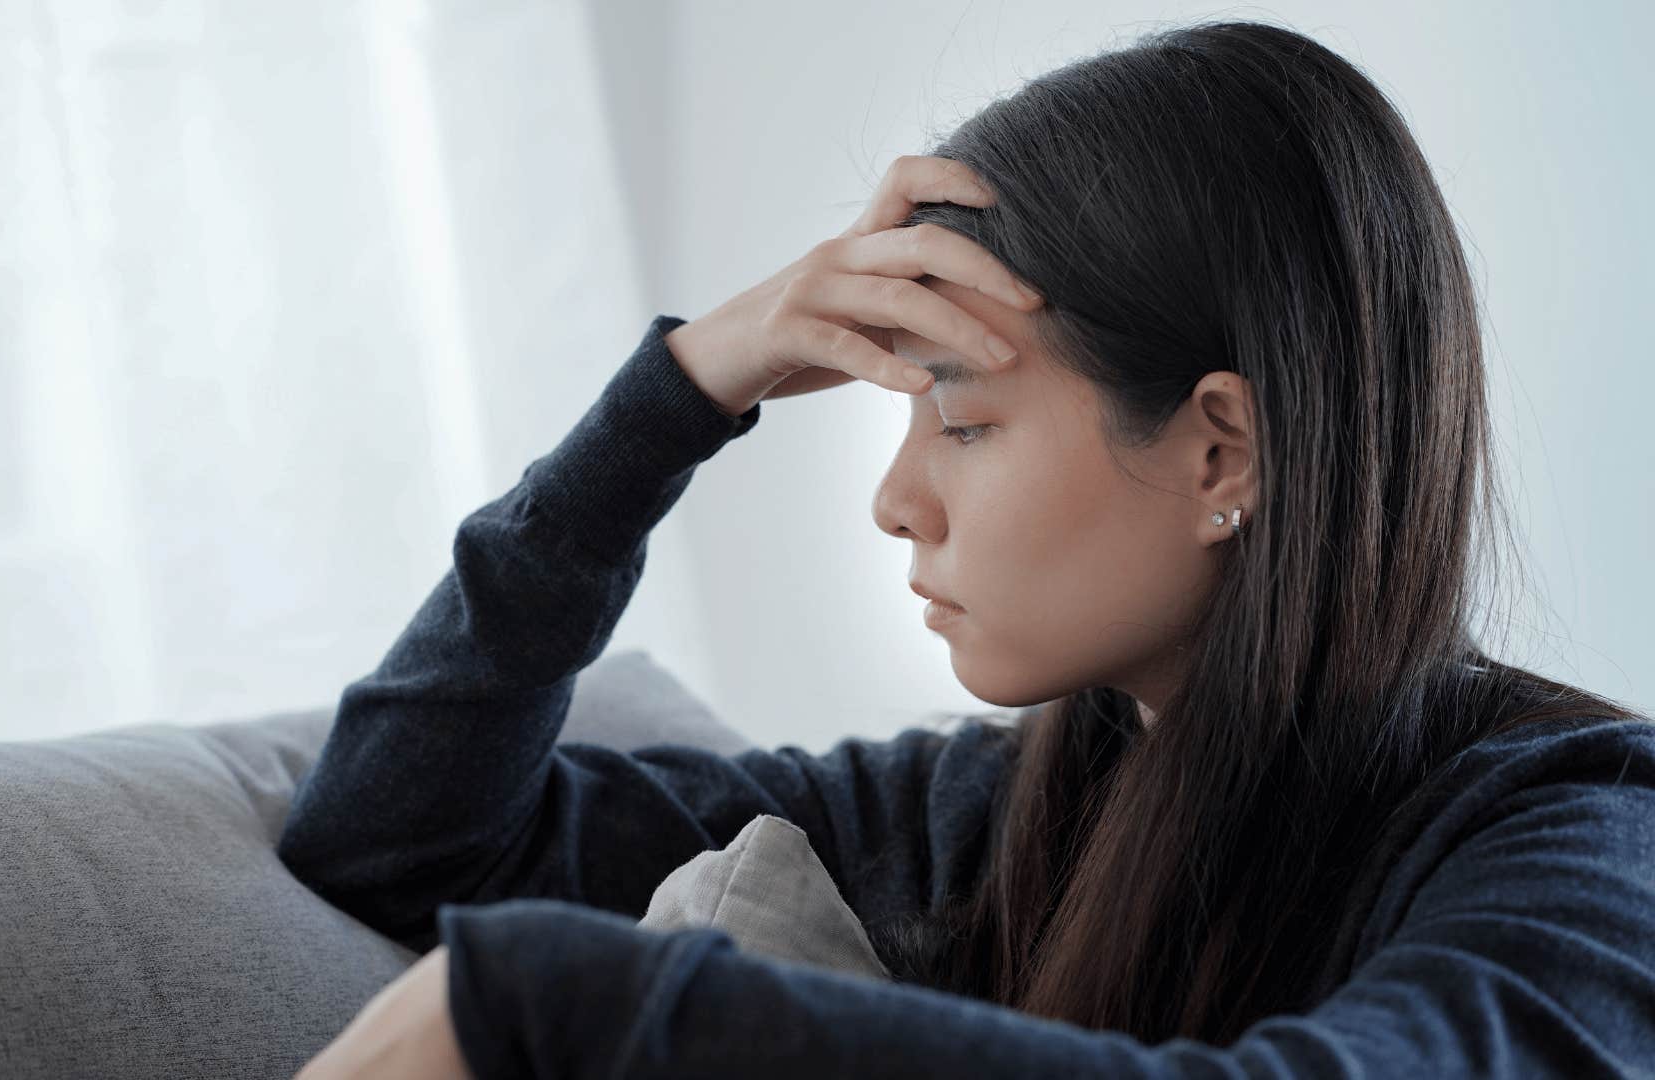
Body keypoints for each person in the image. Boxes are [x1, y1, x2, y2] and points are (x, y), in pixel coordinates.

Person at [278, 18, 1655, 1078]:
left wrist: (549, 999)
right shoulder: (987, 813)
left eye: (968, 423)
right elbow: (396, 838)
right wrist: (684, 392)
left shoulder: (1589, 839)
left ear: (1219, 450)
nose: (896, 502)